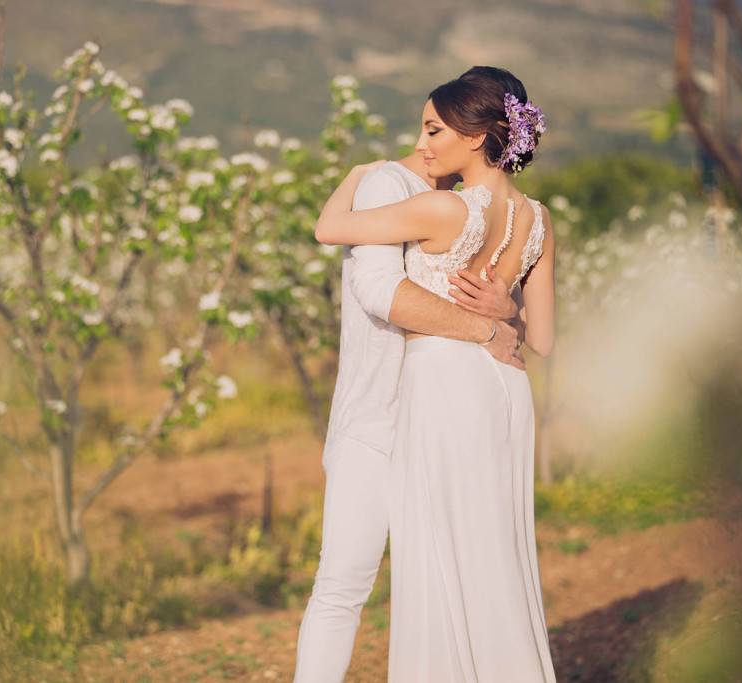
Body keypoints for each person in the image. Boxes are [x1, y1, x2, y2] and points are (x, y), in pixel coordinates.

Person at [315, 66, 557, 682]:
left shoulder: (442, 208)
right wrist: (507, 312)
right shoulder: (539, 219)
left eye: (433, 129)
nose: (424, 144)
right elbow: (545, 338)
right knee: (497, 554)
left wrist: (354, 175)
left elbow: (328, 229)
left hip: (446, 381)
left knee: (440, 557)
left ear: (476, 137)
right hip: (508, 385)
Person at [293, 145, 525, 679]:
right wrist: (488, 330)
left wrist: (504, 312)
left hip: (448, 415)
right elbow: (377, 288)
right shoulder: (388, 186)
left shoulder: (473, 206)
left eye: (436, 127)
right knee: (344, 582)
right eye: (425, 126)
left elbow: (512, 312)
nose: (425, 144)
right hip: (377, 418)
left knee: (459, 583)